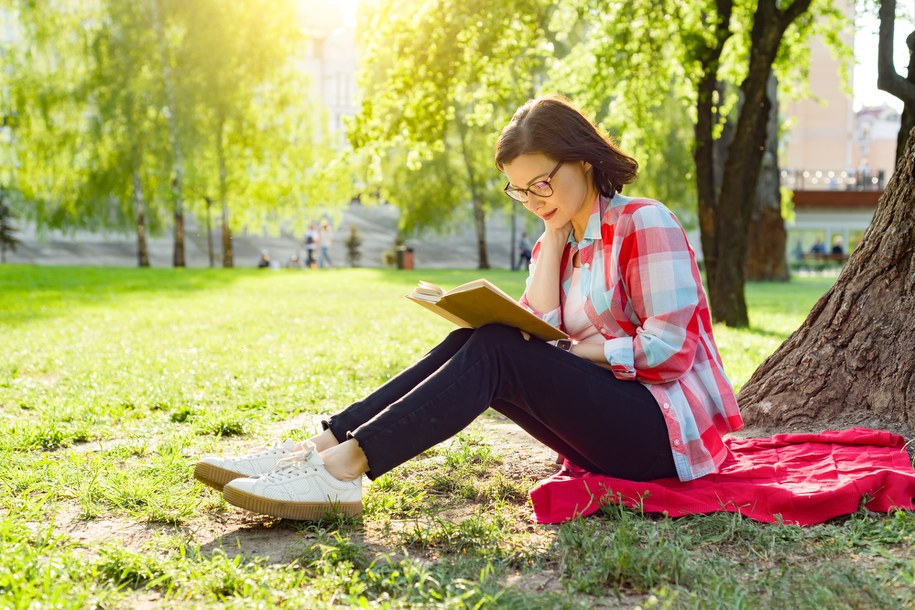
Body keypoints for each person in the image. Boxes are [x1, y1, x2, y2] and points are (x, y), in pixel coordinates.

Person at [194, 95, 743, 521]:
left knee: (500, 350)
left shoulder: (642, 222)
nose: (533, 200)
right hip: (605, 425)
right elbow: (540, 339)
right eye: (519, 191)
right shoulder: (556, 244)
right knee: (482, 340)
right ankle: (323, 447)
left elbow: (670, 351)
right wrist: (553, 243)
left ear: (582, 160)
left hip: (662, 434)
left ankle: (344, 469)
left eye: (542, 183)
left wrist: (585, 350)